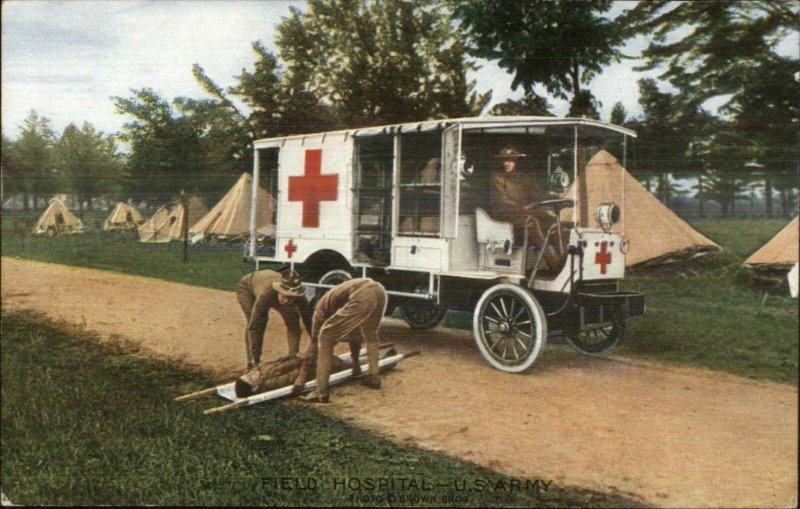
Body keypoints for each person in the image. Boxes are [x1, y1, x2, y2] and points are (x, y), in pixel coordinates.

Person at [293, 278, 387, 403]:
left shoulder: (319, 311)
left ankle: (320, 391)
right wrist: (356, 366)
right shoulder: (339, 301)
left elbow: (314, 344)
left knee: (325, 337)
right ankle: (373, 378)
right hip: (379, 290)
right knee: (370, 334)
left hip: (362, 293)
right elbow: (355, 336)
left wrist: (301, 376)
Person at [489, 146, 561, 267]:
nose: (507, 163)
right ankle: (553, 263)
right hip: (504, 217)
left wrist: (555, 199)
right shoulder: (497, 178)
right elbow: (501, 201)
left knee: (551, 220)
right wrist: (523, 208)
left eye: (510, 160)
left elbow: (538, 194)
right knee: (530, 221)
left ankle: (563, 257)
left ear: (515, 161)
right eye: (504, 160)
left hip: (521, 214)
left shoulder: (523, 178)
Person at [236, 269, 313, 370]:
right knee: (254, 321)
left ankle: (292, 358)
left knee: (293, 321)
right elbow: (256, 328)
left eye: (291, 297)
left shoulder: (300, 297)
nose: (286, 300)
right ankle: (252, 363)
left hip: (269, 284)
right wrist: (256, 362)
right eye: (284, 295)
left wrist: (319, 344)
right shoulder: (266, 295)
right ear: (279, 289)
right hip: (248, 286)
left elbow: (310, 323)